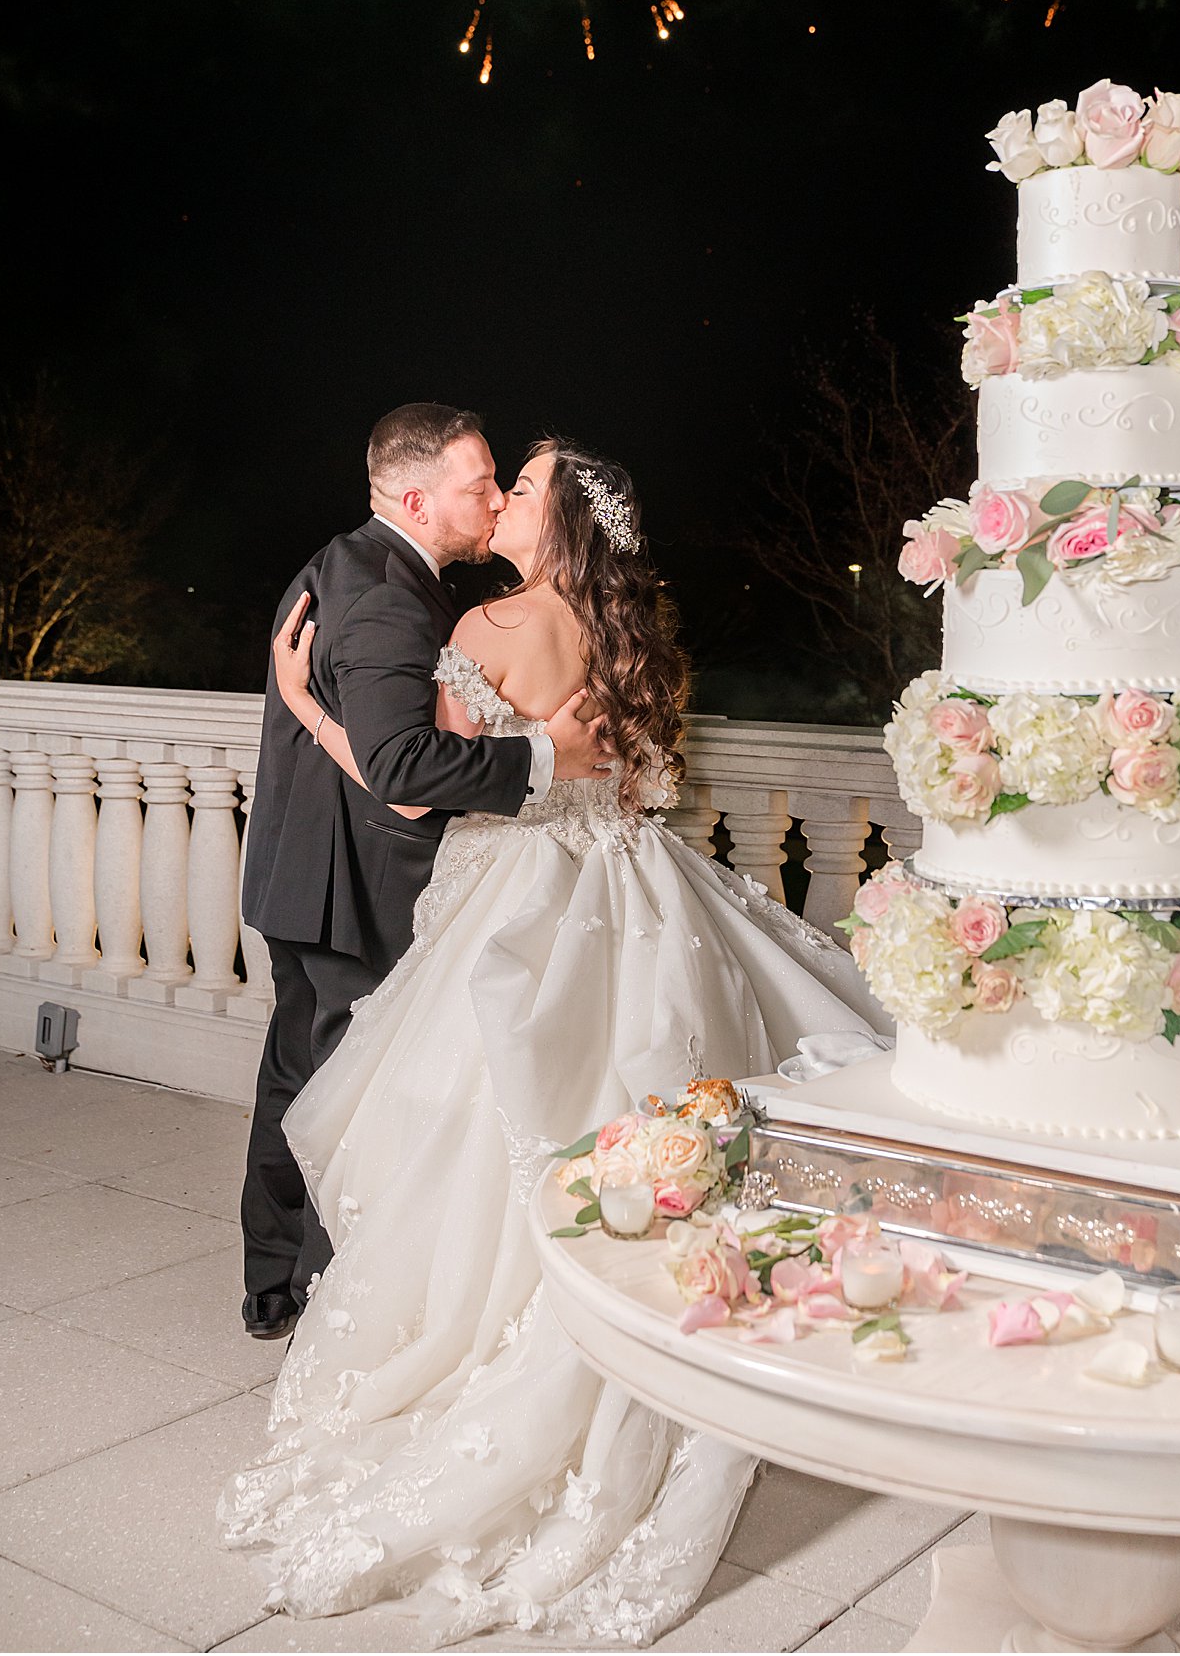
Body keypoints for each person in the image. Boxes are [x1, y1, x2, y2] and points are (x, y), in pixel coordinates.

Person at [219, 438, 890, 1644]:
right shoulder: (638, 639)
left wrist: (308, 702)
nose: (501, 498)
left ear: (556, 520)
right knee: (627, 1119)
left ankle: (490, 1342)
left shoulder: (486, 629)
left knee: (482, 1137)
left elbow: (413, 787)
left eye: (519, 485)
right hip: (641, 899)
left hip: (519, 904)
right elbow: (632, 787)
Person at [238, 404, 610, 1344]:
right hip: (349, 888)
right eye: (476, 483)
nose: (491, 499)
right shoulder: (388, 597)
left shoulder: (370, 565)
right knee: (343, 1101)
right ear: (416, 496)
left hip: (311, 874)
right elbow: (402, 769)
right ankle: (323, 1300)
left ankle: (274, 1283)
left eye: (500, 482)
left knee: (299, 1081)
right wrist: (544, 759)